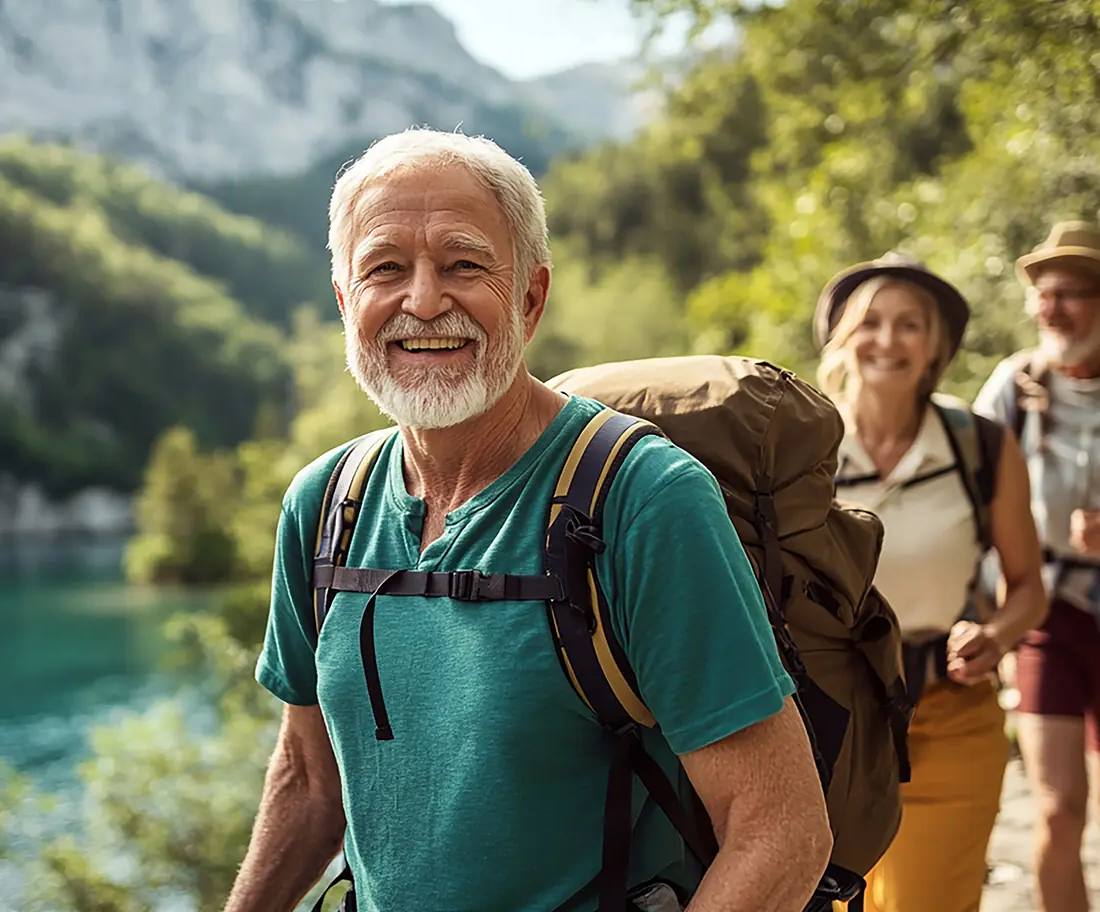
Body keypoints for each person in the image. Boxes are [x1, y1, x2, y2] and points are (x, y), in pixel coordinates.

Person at [222, 128, 833, 912]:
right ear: (347, 303)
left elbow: (779, 829)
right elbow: (310, 779)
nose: (422, 300)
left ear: (531, 297)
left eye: (463, 264)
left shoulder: (642, 499)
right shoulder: (325, 504)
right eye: (384, 269)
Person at [814, 252, 1048, 912]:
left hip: (951, 714)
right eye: (871, 323)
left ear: (937, 345)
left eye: (910, 324)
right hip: (831, 719)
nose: (888, 341)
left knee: (929, 901)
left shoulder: (980, 445)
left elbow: (1029, 586)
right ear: (842, 338)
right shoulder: (801, 444)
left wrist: (996, 635)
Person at [973, 220, 1100, 912]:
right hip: (1048, 615)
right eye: (1044, 295)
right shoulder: (1015, 388)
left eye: (1072, 294)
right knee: (1057, 808)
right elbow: (970, 495)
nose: (1053, 309)